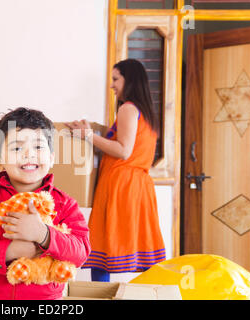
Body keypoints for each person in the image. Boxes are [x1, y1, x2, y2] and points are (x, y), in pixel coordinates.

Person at [0, 108, 91, 300]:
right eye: (17, 148)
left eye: (38, 147)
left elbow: (81, 251)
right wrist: (10, 251)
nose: (29, 154)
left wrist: (43, 234)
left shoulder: (64, 204)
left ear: (52, 158)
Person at [66, 59, 166, 282]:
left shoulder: (128, 108)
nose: (112, 85)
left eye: (115, 79)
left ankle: (100, 296)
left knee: (103, 244)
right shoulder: (146, 112)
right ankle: (155, 294)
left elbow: (123, 151)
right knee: (142, 244)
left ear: (129, 80)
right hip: (137, 185)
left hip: (122, 184)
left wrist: (88, 136)